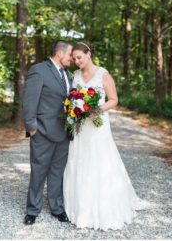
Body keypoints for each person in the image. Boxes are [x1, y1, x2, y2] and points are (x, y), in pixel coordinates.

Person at [63, 41, 148, 231]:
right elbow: (71, 97)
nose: (77, 62)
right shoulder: (75, 75)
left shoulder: (104, 74)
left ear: (89, 54)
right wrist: (74, 108)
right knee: (80, 160)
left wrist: (96, 109)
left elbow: (114, 100)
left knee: (99, 161)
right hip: (80, 127)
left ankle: (104, 207)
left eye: (80, 58)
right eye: (74, 58)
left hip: (97, 126)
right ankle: (80, 208)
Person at [23, 41, 73, 225]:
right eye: (70, 55)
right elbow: (29, 100)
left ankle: (57, 208)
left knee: (57, 172)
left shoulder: (68, 75)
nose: (72, 59)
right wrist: (32, 128)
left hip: (64, 133)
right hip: (42, 131)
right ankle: (32, 210)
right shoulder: (39, 70)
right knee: (38, 171)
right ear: (60, 53)